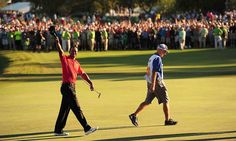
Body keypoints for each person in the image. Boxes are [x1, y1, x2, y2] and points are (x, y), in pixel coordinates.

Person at [54, 36, 98, 136]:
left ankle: (58, 130)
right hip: (67, 87)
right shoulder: (65, 59)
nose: (74, 52)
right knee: (77, 108)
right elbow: (60, 51)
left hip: (71, 87)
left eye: (76, 51)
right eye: (73, 51)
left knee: (65, 109)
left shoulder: (77, 63)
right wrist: (58, 43)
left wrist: (90, 83)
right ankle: (87, 128)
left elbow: (83, 74)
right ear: (69, 52)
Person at [129, 44, 177, 126]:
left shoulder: (152, 57)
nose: (165, 54)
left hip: (150, 81)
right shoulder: (157, 58)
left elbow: (148, 70)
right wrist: (153, 84)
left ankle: (134, 115)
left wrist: (150, 83)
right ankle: (167, 120)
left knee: (147, 101)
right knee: (166, 100)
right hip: (156, 82)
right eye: (164, 51)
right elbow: (155, 71)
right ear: (159, 50)